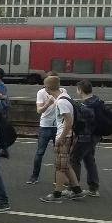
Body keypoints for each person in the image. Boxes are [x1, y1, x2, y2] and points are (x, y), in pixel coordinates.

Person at [40, 75, 84, 203]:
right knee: (66, 164)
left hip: (65, 137)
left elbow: (69, 122)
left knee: (60, 167)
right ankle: (77, 191)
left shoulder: (61, 102)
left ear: (48, 88)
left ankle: (57, 194)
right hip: (69, 135)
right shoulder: (66, 97)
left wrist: (60, 138)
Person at [28, 73, 66, 185]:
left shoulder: (63, 91)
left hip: (58, 126)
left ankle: (58, 179)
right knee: (40, 152)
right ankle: (34, 176)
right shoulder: (41, 92)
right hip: (45, 126)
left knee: (59, 153)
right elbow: (39, 110)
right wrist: (48, 103)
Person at [70, 80, 103, 197]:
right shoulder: (98, 101)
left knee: (74, 159)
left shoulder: (85, 106)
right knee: (89, 160)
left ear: (80, 90)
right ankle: (94, 188)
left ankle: (74, 188)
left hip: (85, 138)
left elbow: (80, 125)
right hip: (96, 136)